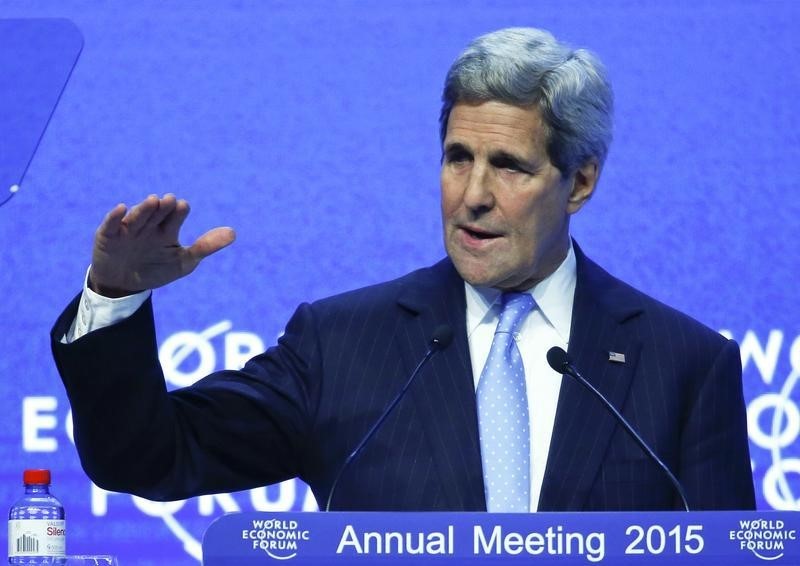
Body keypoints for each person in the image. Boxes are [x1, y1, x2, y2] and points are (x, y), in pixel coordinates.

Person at [51, 27, 755, 511]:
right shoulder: (343, 343)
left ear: (579, 183)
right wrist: (114, 296)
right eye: (458, 158)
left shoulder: (684, 365)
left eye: (508, 166)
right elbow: (148, 457)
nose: (473, 194)